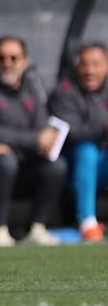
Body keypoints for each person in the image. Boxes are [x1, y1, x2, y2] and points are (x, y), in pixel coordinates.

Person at [0, 35, 65, 246]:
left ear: (25, 61)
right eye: (1, 58)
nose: (7, 63)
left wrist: (16, 142)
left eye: (13, 58)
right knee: (4, 160)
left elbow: (41, 127)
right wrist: (34, 139)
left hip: (21, 162)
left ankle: (36, 228)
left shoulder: (31, 87)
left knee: (56, 166)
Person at [48, 43, 108, 242]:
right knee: (87, 150)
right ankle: (87, 223)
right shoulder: (64, 91)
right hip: (72, 168)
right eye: (84, 64)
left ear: (106, 65)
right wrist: (102, 126)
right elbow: (71, 132)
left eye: (96, 64)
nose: (90, 70)